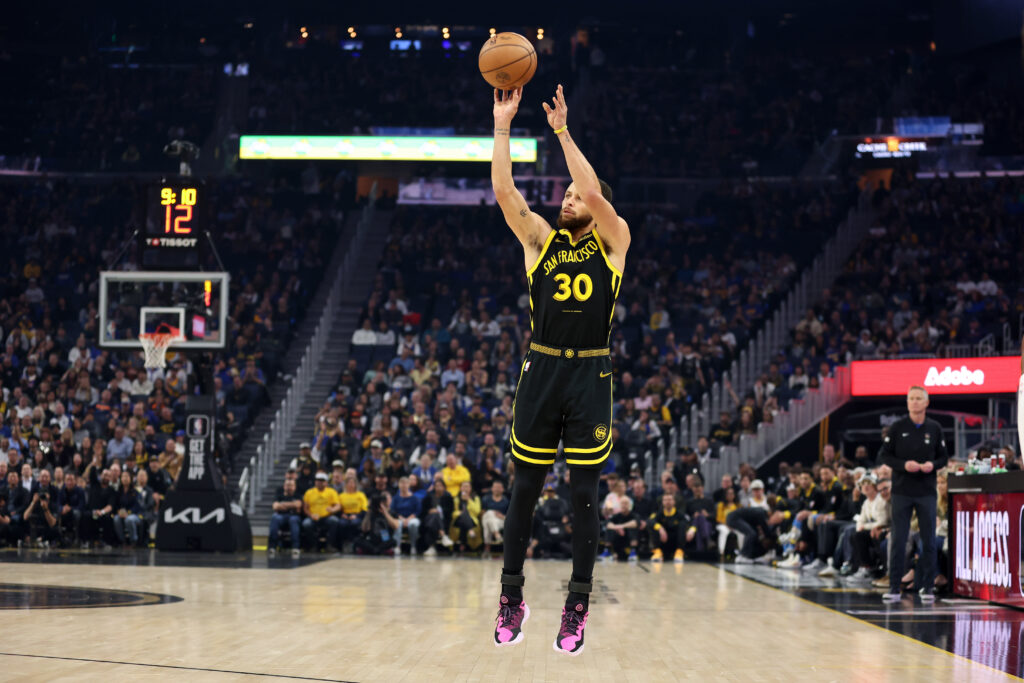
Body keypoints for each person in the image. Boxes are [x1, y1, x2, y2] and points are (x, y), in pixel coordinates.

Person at [491, 83, 631, 656]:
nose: (568, 199)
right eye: (565, 194)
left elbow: (594, 191)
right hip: (543, 367)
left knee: (583, 496)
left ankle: (577, 605)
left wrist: (562, 132)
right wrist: (503, 124)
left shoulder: (614, 243)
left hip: (590, 374)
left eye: (575, 195)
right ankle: (511, 597)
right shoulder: (540, 240)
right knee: (524, 490)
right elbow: (505, 192)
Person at [877, 386, 948, 602]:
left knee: (928, 540)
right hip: (902, 491)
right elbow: (884, 455)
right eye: (911, 398)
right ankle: (894, 588)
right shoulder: (897, 427)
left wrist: (932, 465)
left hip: (926, 491)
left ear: (926, 402)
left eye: (918, 398)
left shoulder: (934, 428)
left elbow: (943, 458)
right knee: (898, 540)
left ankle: (928, 587)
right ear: (907, 402)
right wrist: (903, 465)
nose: (914, 402)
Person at [302, 472, 341, 552]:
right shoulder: (309, 492)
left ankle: (329, 545)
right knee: (306, 524)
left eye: (322, 480)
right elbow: (305, 508)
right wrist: (311, 515)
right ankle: (313, 545)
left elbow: (338, 506)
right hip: (313, 517)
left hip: (327, 516)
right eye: (318, 480)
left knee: (334, 521)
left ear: (326, 482)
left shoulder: (331, 492)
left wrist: (333, 509)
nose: (319, 482)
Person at [269, 478, 303, 556]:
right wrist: (292, 505)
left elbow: (298, 505)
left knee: (294, 520)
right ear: (284, 486)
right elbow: (275, 506)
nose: (289, 487)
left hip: (294, 516)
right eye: (287, 485)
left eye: (291, 485)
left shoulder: (297, 495)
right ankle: (272, 547)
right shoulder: (279, 495)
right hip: (281, 516)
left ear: (294, 487)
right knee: (275, 518)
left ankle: (295, 547)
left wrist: (282, 504)